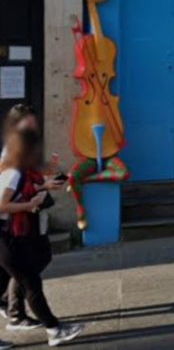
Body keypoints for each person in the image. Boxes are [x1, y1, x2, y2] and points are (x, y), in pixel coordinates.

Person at [0, 129, 84, 346]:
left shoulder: (15, 171)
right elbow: (2, 204)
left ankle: (43, 324)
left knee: (19, 280)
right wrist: (30, 204)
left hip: (7, 234)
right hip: (5, 237)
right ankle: (54, 328)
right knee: (31, 282)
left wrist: (42, 188)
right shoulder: (14, 173)